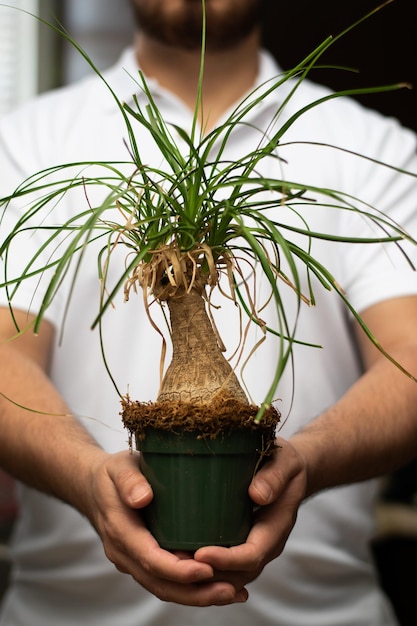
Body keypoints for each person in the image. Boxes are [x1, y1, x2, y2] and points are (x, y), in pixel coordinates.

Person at [0, 1, 417, 624]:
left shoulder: (375, 147)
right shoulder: (26, 140)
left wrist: (308, 460)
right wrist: (88, 477)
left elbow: (409, 359)